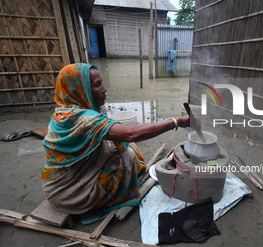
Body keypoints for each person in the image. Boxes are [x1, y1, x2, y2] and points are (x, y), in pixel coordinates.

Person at [41, 63, 193, 221]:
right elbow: (130, 134)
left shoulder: (63, 111)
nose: (104, 89)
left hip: (54, 184)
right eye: (97, 85)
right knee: (126, 154)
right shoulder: (86, 120)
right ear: (81, 90)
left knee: (119, 142)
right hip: (70, 194)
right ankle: (95, 204)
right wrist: (177, 122)